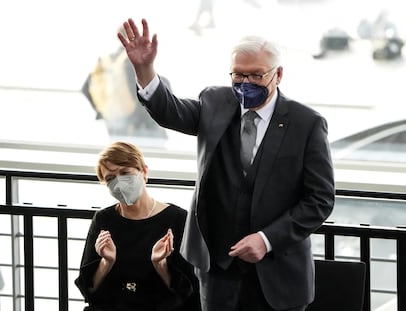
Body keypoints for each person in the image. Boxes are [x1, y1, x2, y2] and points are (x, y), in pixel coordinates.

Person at [117, 18, 335, 311]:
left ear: (278, 74)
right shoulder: (215, 101)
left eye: (256, 76)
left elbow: (320, 200)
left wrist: (267, 239)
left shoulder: (306, 124)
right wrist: (144, 69)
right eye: (238, 75)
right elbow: (170, 111)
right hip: (217, 272)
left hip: (278, 276)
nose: (246, 84)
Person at [75, 141, 201, 311]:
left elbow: (188, 290)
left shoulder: (177, 218)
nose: (118, 183)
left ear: (144, 171)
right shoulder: (104, 219)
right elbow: (89, 289)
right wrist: (106, 262)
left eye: (125, 172)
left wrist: (160, 264)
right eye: (110, 178)